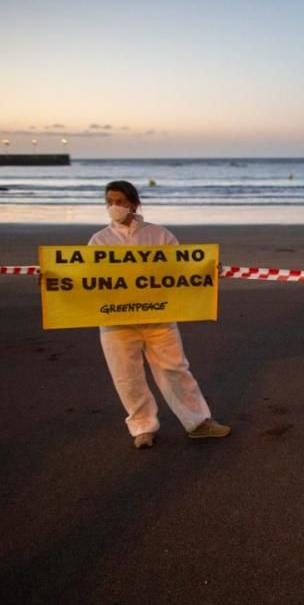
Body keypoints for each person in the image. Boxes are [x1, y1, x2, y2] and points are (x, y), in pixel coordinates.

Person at [89, 180, 231, 449]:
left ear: (134, 203)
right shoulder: (99, 240)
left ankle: (198, 422)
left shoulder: (159, 235)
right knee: (126, 374)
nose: (114, 207)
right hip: (116, 319)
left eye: (119, 201)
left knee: (175, 368)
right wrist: (53, 280)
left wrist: (207, 269)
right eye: (109, 202)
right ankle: (142, 427)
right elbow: (86, 277)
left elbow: (181, 268)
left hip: (159, 315)